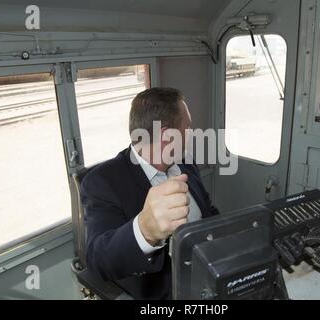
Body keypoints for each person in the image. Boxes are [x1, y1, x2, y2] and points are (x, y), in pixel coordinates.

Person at [81, 87, 219, 299]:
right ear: (167, 135)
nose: (191, 133)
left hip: (211, 273)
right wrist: (145, 230)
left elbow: (209, 212)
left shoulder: (186, 163)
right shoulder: (102, 182)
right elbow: (99, 260)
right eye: (188, 127)